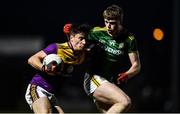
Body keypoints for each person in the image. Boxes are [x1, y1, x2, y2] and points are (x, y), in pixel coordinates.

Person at [83, 4, 141, 113]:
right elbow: (79, 42)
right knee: (125, 102)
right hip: (93, 78)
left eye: (113, 23)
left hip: (108, 81)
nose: (108, 26)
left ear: (120, 21)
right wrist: (72, 33)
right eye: (106, 22)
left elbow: (136, 66)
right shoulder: (96, 32)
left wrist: (127, 74)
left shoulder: (129, 39)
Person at [25, 23, 91, 114]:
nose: (84, 42)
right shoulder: (56, 48)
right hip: (38, 87)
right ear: (71, 38)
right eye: (81, 38)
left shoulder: (82, 54)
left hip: (52, 94)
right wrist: (44, 68)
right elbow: (32, 59)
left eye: (85, 39)